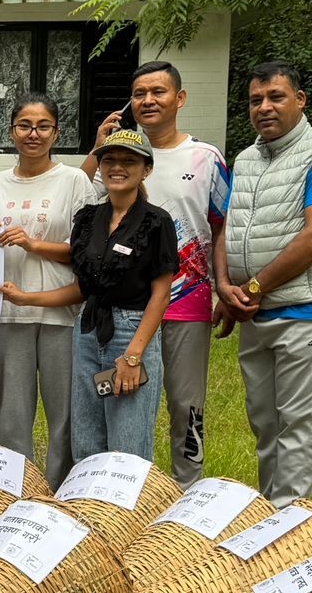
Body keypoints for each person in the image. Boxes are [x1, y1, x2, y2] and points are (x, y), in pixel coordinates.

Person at [214, 62, 312, 507]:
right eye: (256, 100)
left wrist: (252, 288)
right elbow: (228, 228)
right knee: (265, 422)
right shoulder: (246, 159)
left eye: (276, 97)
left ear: (300, 100)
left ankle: (288, 520)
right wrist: (225, 288)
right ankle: (271, 513)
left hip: (307, 313)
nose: (265, 107)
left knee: (298, 424)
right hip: (255, 314)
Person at [85, 62, 227, 485]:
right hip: (125, 304)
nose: (147, 100)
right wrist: (96, 148)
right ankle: (117, 483)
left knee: (186, 402)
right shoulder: (117, 157)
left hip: (186, 300)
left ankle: (186, 486)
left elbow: (222, 227)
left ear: (179, 99)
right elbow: (81, 203)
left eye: (158, 92)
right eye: (139, 93)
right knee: (118, 393)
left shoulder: (206, 158)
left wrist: (223, 286)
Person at [9, 127, 176, 464]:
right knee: (86, 442)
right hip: (87, 333)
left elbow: (160, 295)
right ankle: (87, 497)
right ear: (99, 167)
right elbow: (84, 289)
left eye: (129, 161)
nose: (118, 167)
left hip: (130, 334)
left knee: (126, 444)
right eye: (109, 160)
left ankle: (127, 500)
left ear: (146, 169)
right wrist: (27, 298)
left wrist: (133, 357)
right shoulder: (88, 219)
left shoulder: (157, 222)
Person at [0, 94, 96, 486]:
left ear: (56, 133)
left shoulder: (74, 181)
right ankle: (16, 491)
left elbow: (87, 252)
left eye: (43, 126)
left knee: (65, 415)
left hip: (61, 312)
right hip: (7, 310)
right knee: (11, 416)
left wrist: (33, 244)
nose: (34, 134)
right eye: (25, 125)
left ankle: (63, 492)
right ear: (11, 131)